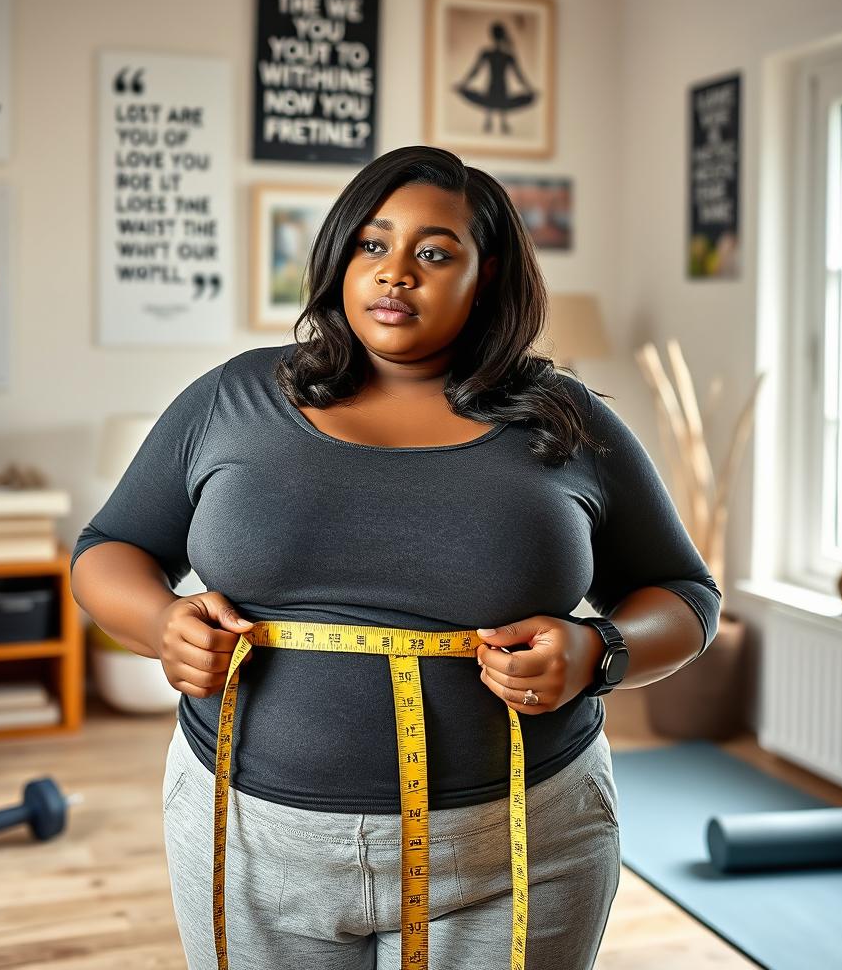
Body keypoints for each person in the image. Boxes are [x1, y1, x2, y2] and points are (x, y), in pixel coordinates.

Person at [69, 144, 722, 970]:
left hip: (521, 845)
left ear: (485, 277)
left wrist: (600, 651)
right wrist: (160, 621)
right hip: (249, 839)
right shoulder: (232, 399)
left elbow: (688, 594)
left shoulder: (567, 422)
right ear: (340, 257)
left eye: (435, 252)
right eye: (373, 245)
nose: (396, 272)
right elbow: (108, 548)